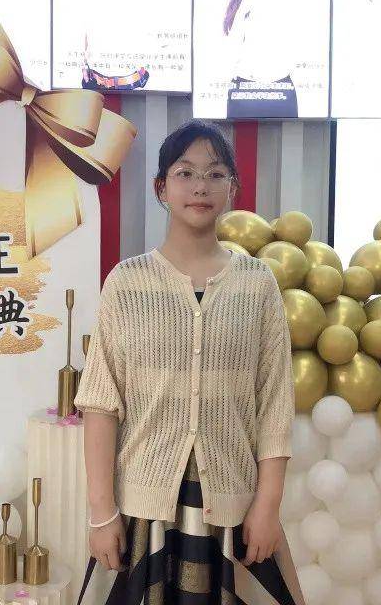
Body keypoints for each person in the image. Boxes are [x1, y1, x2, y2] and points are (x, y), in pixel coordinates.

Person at [74, 120, 304, 604]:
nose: (201, 186)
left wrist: (267, 506)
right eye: (185, 173)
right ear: (161, 187)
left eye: (215, 174)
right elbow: (100, 403)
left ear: (232, 188)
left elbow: (275, 406)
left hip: (233, 507)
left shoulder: (257, 284)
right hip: (142, 507)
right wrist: (101, 512)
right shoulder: (127, 283)